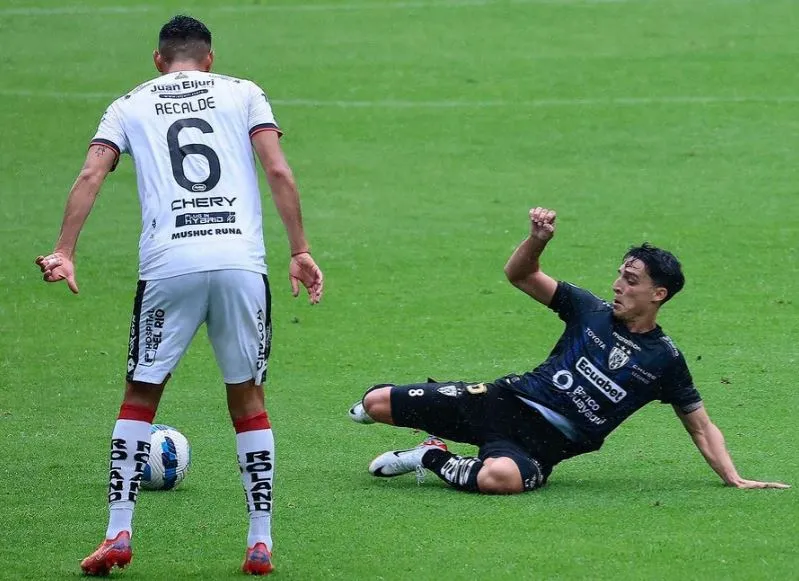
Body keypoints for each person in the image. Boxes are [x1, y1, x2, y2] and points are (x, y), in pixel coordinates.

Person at [35, 15, 323, 576]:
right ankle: (259, 541)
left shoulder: (129, 103)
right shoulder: (245, 93)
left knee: (141, 395)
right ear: (209, 58)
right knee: (249, 401)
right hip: (241, 263)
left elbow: (92, 175)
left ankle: (118, 532)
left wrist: (65, 250)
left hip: (169, 265)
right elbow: (279, 171)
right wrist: (300, 249)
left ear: (157, 59)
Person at [349, 207, 788, 495]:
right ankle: (424, 427)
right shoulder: (589, 310)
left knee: (500, 479)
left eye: (631, 280)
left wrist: (733, 477)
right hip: (501, 403)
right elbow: (520, 275)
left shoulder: (664, 361)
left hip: (543, 447)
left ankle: (431, 456)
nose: (618, 285)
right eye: (620, 275)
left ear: (659, 293)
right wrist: (538, 240)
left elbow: (701, 426)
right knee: (375, 403)